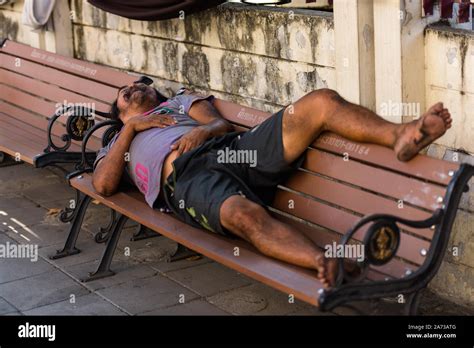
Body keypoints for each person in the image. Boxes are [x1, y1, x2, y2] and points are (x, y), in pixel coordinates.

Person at [92, 82, 452, 287]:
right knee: (243, 216)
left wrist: (203, 129)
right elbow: (104, 185)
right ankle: (325, 262)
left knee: (320, 101)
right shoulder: (116, 144)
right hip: (187, 182)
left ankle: (401, 135)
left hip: (231, 151)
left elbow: (221, 127)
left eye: (141, 85)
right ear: (119, 110)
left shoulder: (179, 102)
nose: (135, 88)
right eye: (126, 93)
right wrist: (130, 129)